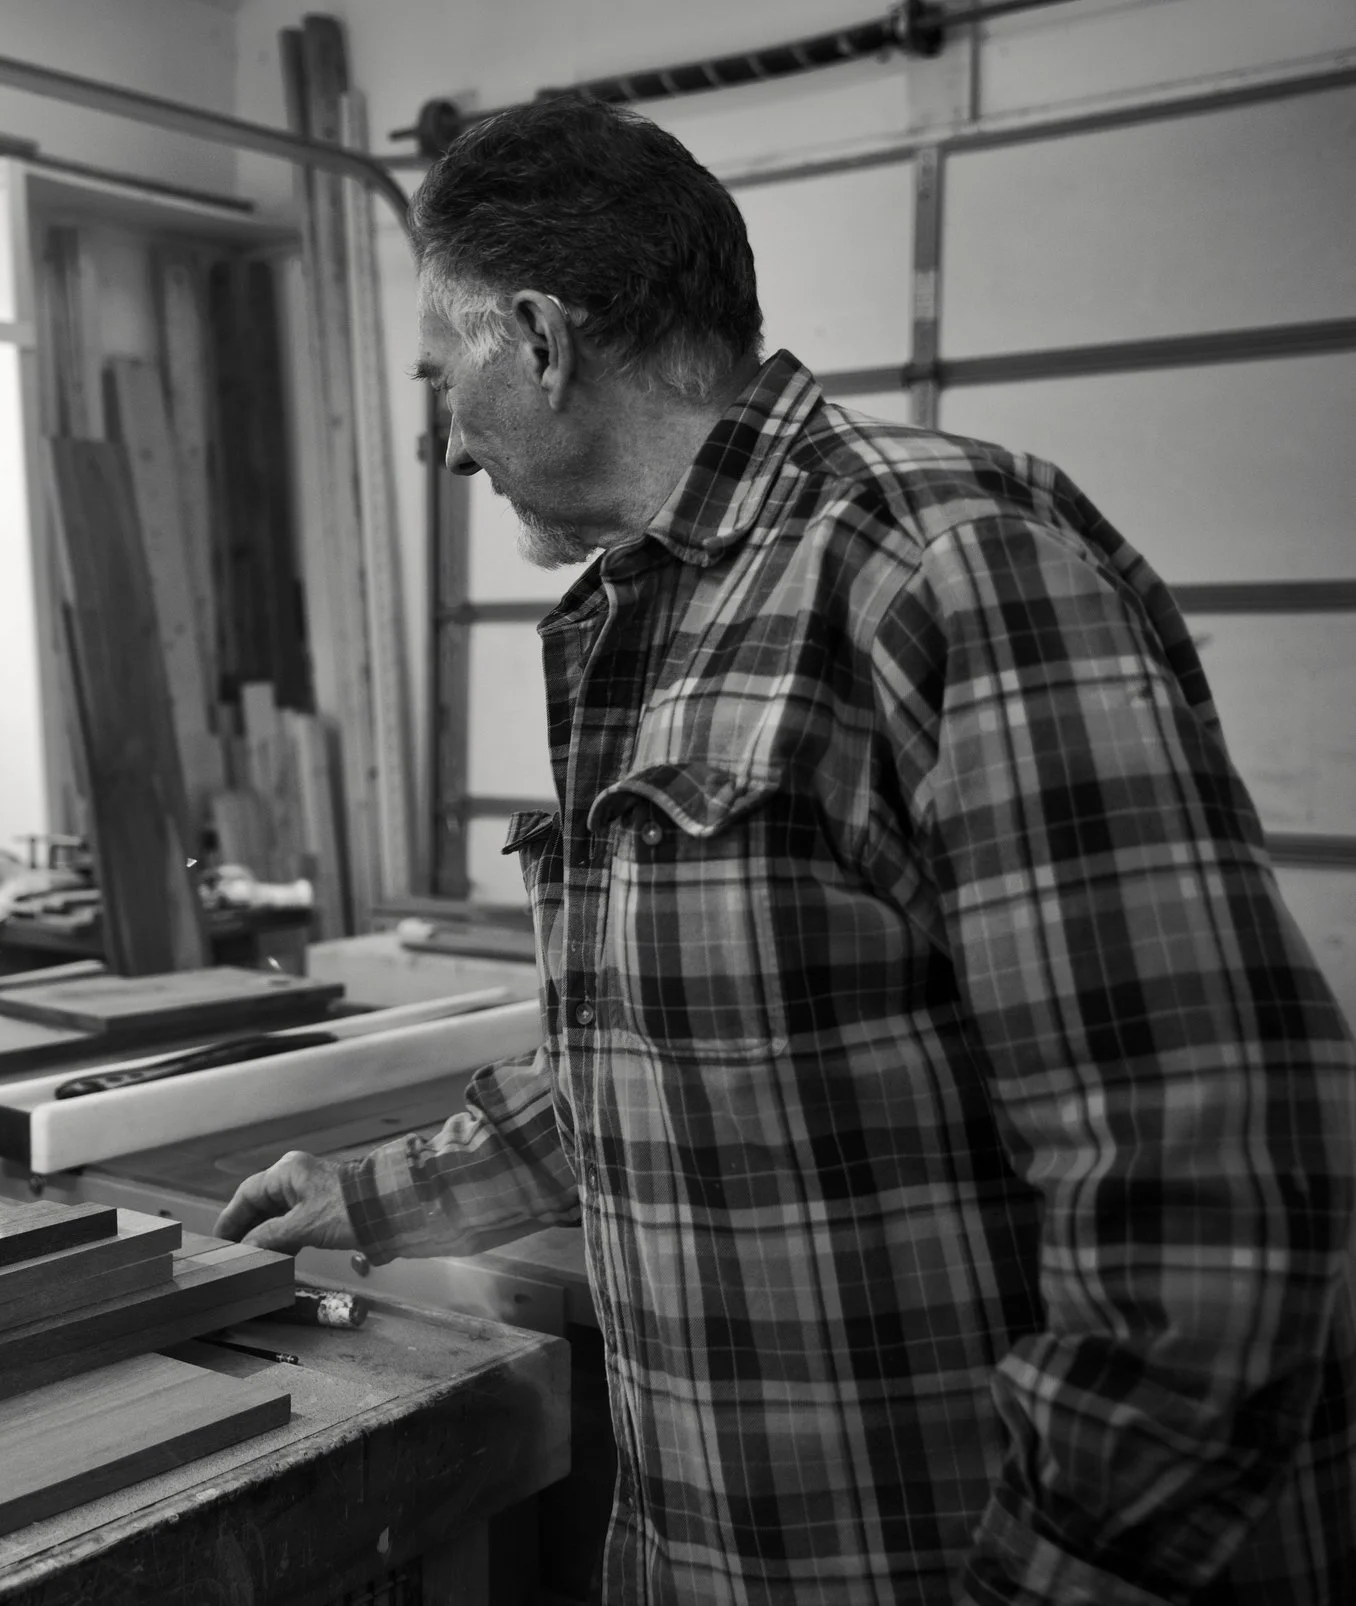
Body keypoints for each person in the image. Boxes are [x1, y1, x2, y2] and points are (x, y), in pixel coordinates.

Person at [216, 95, 1354, 1605]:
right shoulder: (654, 618)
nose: (445, 441)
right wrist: (372, 1199)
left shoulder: (939, 560)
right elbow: (668, 1060)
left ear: (541, 340)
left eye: (446, 378)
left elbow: (1219, 1186)